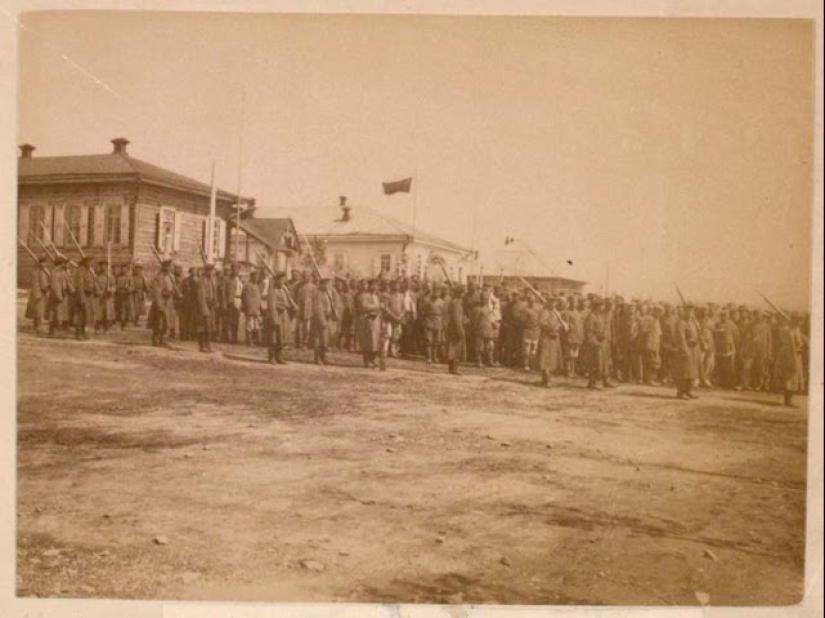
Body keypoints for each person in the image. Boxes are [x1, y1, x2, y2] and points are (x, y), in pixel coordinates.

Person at [774, 313, 806, 408]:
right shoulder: (789, 331)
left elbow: (799, 342)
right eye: (800, 321)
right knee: (790, 377)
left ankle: (788, 400)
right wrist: (793, 359)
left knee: (793, 377)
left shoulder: (795, 330)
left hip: (795, 354)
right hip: (790, 355)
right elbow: (791, 346)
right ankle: (788, 401)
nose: (802, 323)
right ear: (796, 321)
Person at [264, 273, 295, 364]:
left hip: (284, 316)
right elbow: (272, 306)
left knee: (281, 338)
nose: (282, 282)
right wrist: (274, 319)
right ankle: (272, 357)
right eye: (281, 280)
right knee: (273, 338)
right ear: (276, 280)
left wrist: (293, 306)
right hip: (276, 316)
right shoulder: (272, 291)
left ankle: (279, 356)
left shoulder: (284, 290)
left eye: (284, 280)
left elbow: (288, 300)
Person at [148, 259, 178, 347]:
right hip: (160, 302)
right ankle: (155, 340)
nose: (168, 268)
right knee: (158, 322)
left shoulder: (171, 277)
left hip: (168, 303)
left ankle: (163, 339)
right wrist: (159, 304)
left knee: (166, 322)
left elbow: (173, 288)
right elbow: (157, 291)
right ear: (163, 267)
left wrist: (172, 292)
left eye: (169, 266)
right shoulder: (158, 277)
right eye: (166, 266)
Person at [537, 297, 565, 387]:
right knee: (545, 357)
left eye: (555, 302)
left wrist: (558, 327)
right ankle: (546, 379)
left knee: (552, 358)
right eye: (552, 302)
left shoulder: (557, 312)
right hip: (546, 337)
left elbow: (561, 323)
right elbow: (541, 323)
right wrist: (551, 328)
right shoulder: (545, 312)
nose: (553, 304)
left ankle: (547, 379)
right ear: (548, 303)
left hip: (555, 337)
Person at [674, 304, 700, 400]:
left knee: (691, 372)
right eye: (688, 311)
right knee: (684, 372)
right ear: (684, 312)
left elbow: (697, 335)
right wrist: (684, 350)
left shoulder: (694, 323)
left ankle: (688, 390)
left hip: (694, 350)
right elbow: (681, 338)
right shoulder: (681, 323)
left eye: (692, 311)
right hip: (685, 349)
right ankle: (680, 392)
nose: (690, 313)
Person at [356, 279, 383, 369]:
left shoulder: (376, 297)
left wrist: (378, 309)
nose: (374, 287)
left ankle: (373, 360)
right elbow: (363, 306)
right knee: (367, 341)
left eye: (376, 285)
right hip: (366, 320)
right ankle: (366, 361)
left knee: (375, 342)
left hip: (375, 321)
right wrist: (376, 307)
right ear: (369, 286)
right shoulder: (363, 296)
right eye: (372, 285)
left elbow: (380, 307)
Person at [311, 278, 336, 365]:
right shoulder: (318, 294)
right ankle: (317, 358)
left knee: (325, 339)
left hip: (328, 318)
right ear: (321, 284)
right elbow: (318, 308)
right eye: (325, 284)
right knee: (318, 339)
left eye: (328, 284)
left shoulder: (328, 294)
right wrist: (322, 320)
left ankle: (323, 357)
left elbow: (331, 305)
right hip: (320, 319)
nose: (326, 286)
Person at [195, 263, 218, 352]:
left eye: (212, 270)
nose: (212, 272)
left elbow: (214, 293)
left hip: (211, 307)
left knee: (210, 327)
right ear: (206, 271)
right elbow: (201, 296)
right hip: (203, 307)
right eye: (210, 271)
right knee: (203, 327)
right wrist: (204, 309)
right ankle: (202, 345)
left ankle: (208, 345)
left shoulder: (212, 280)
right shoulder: (201, 281)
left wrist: (215, 302)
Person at [72, 256, 96, 340]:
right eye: (90, 262)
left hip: (88, 296)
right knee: (80, 316)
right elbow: (80, 285)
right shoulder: (81, 271)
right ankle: (78, 333)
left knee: (85, 316)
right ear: (85, 262)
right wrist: (81, 298)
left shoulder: (88, 271)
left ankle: (83, 332)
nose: (91, 264)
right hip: (83, 296)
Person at [445, 285, 467, 375]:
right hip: (456, 328)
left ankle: (452, 368)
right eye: (462, 292)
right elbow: (456, 318)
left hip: (453, 327)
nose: (463, 294)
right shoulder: (456, 303)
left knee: (452, 348)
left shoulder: (455, 302)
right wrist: (460, 330)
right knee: (456, 349)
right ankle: (454, 368)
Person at [26, 256, 50, 334]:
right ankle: (38, 327)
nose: (46, 264)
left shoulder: (37, 270)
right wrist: (47, 287)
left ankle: (36, 326)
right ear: (41, 263)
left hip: (36, 293)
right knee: (39, 311)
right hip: (39, 294)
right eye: (45, 262)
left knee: (37, 311)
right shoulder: (39, 272)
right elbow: (41, 284)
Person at [422, 286, 444, 364]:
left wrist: (442, 323)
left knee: (437, 341)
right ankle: (429, 357)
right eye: (435, 291)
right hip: (429, 321)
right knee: (429, 340)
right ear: (432, 291)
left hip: (438, 321)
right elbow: (423, 311)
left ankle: (434, 356)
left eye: (438, 291)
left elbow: (443, 313)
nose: (436, 293)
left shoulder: (442, 302)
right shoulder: (427, 300)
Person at [296, 271, 317, 349]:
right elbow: (295, 296)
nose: (305, 277)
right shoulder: (299, 286)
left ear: (310, 276)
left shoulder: (313, 287)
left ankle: (306, 342)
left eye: (307, 276)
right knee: (299, 327)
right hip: (299, 308)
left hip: (309, 309)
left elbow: (315, 299)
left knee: (307, 327)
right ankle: (299, 342)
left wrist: (313, 309)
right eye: (304, 276)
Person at [242, 270, 263, 346]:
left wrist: (259, 308)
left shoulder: (256, 286)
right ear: (252, 277)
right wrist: (249, 308)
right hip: (250, 309)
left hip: (256, 309)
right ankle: (249, 341)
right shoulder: (248, 285)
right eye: (255, 276)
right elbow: (246, 298)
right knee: (249, 326)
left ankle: (256, 341)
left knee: (256, 325)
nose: (257, 278)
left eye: (257, 276)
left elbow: (258, 298)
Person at [521, 293, 541, 372]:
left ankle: (532, 365)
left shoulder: (538, 310)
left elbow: (539, 320)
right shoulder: (525, 310)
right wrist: (528, 325)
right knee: (526, 350)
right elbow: (522, 321)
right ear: (528, 301)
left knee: (534, 350)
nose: (531, 302)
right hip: (528, 331)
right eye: (530, 300)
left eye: (533, 300)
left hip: (536, 332)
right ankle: (526, 365)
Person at [94, 260, 115, 334]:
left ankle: (107, 329)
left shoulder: (110, 277)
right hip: (99, 297)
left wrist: (111, 290)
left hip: (108, 298)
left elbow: (114, 286)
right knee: (98, 314)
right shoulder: (97, 276)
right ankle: (97, 328)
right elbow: (95, 285)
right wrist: (99, 292)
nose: (103, 267)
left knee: (108, 314)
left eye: (105, 266)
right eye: (102, 266)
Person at [115, 264, 134, 330]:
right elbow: (116, 286)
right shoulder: (118, 277)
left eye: (125, 268)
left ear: (127, 269)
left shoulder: (130, 278)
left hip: (127, 296)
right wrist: (118, 290)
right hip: (120, 296)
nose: (123, 270)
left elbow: (132, 287)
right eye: (122, 268)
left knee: (127, 310)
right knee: (121, 310)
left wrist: (128, 289)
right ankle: (122, 324)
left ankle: (125, 323)